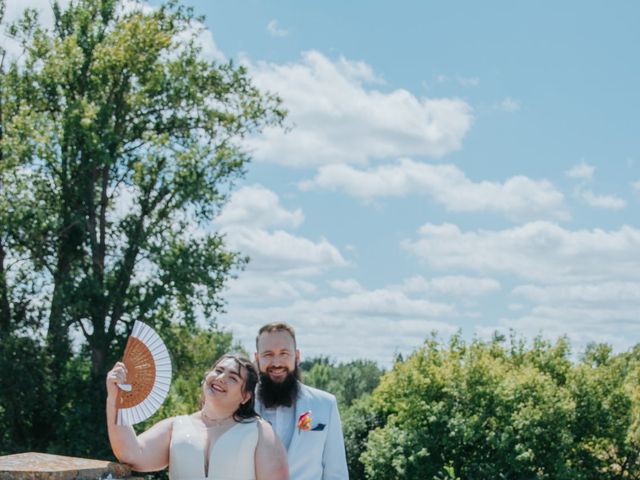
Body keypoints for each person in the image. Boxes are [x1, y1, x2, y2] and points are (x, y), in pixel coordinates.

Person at [106, 352, 289, 480]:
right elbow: (131, 454)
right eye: (218, 371)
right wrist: (115, 398)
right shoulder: (175, 426)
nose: (221, 378)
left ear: (245, 396)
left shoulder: (260, 432)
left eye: (233, 378)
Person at [254, 322, 349, 480]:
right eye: (268, 355)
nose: (276, 363)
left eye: (284, 353)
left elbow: (336, 473)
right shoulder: (240, 405)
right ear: (257, 359)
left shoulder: (326, 404)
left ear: (297, 357)